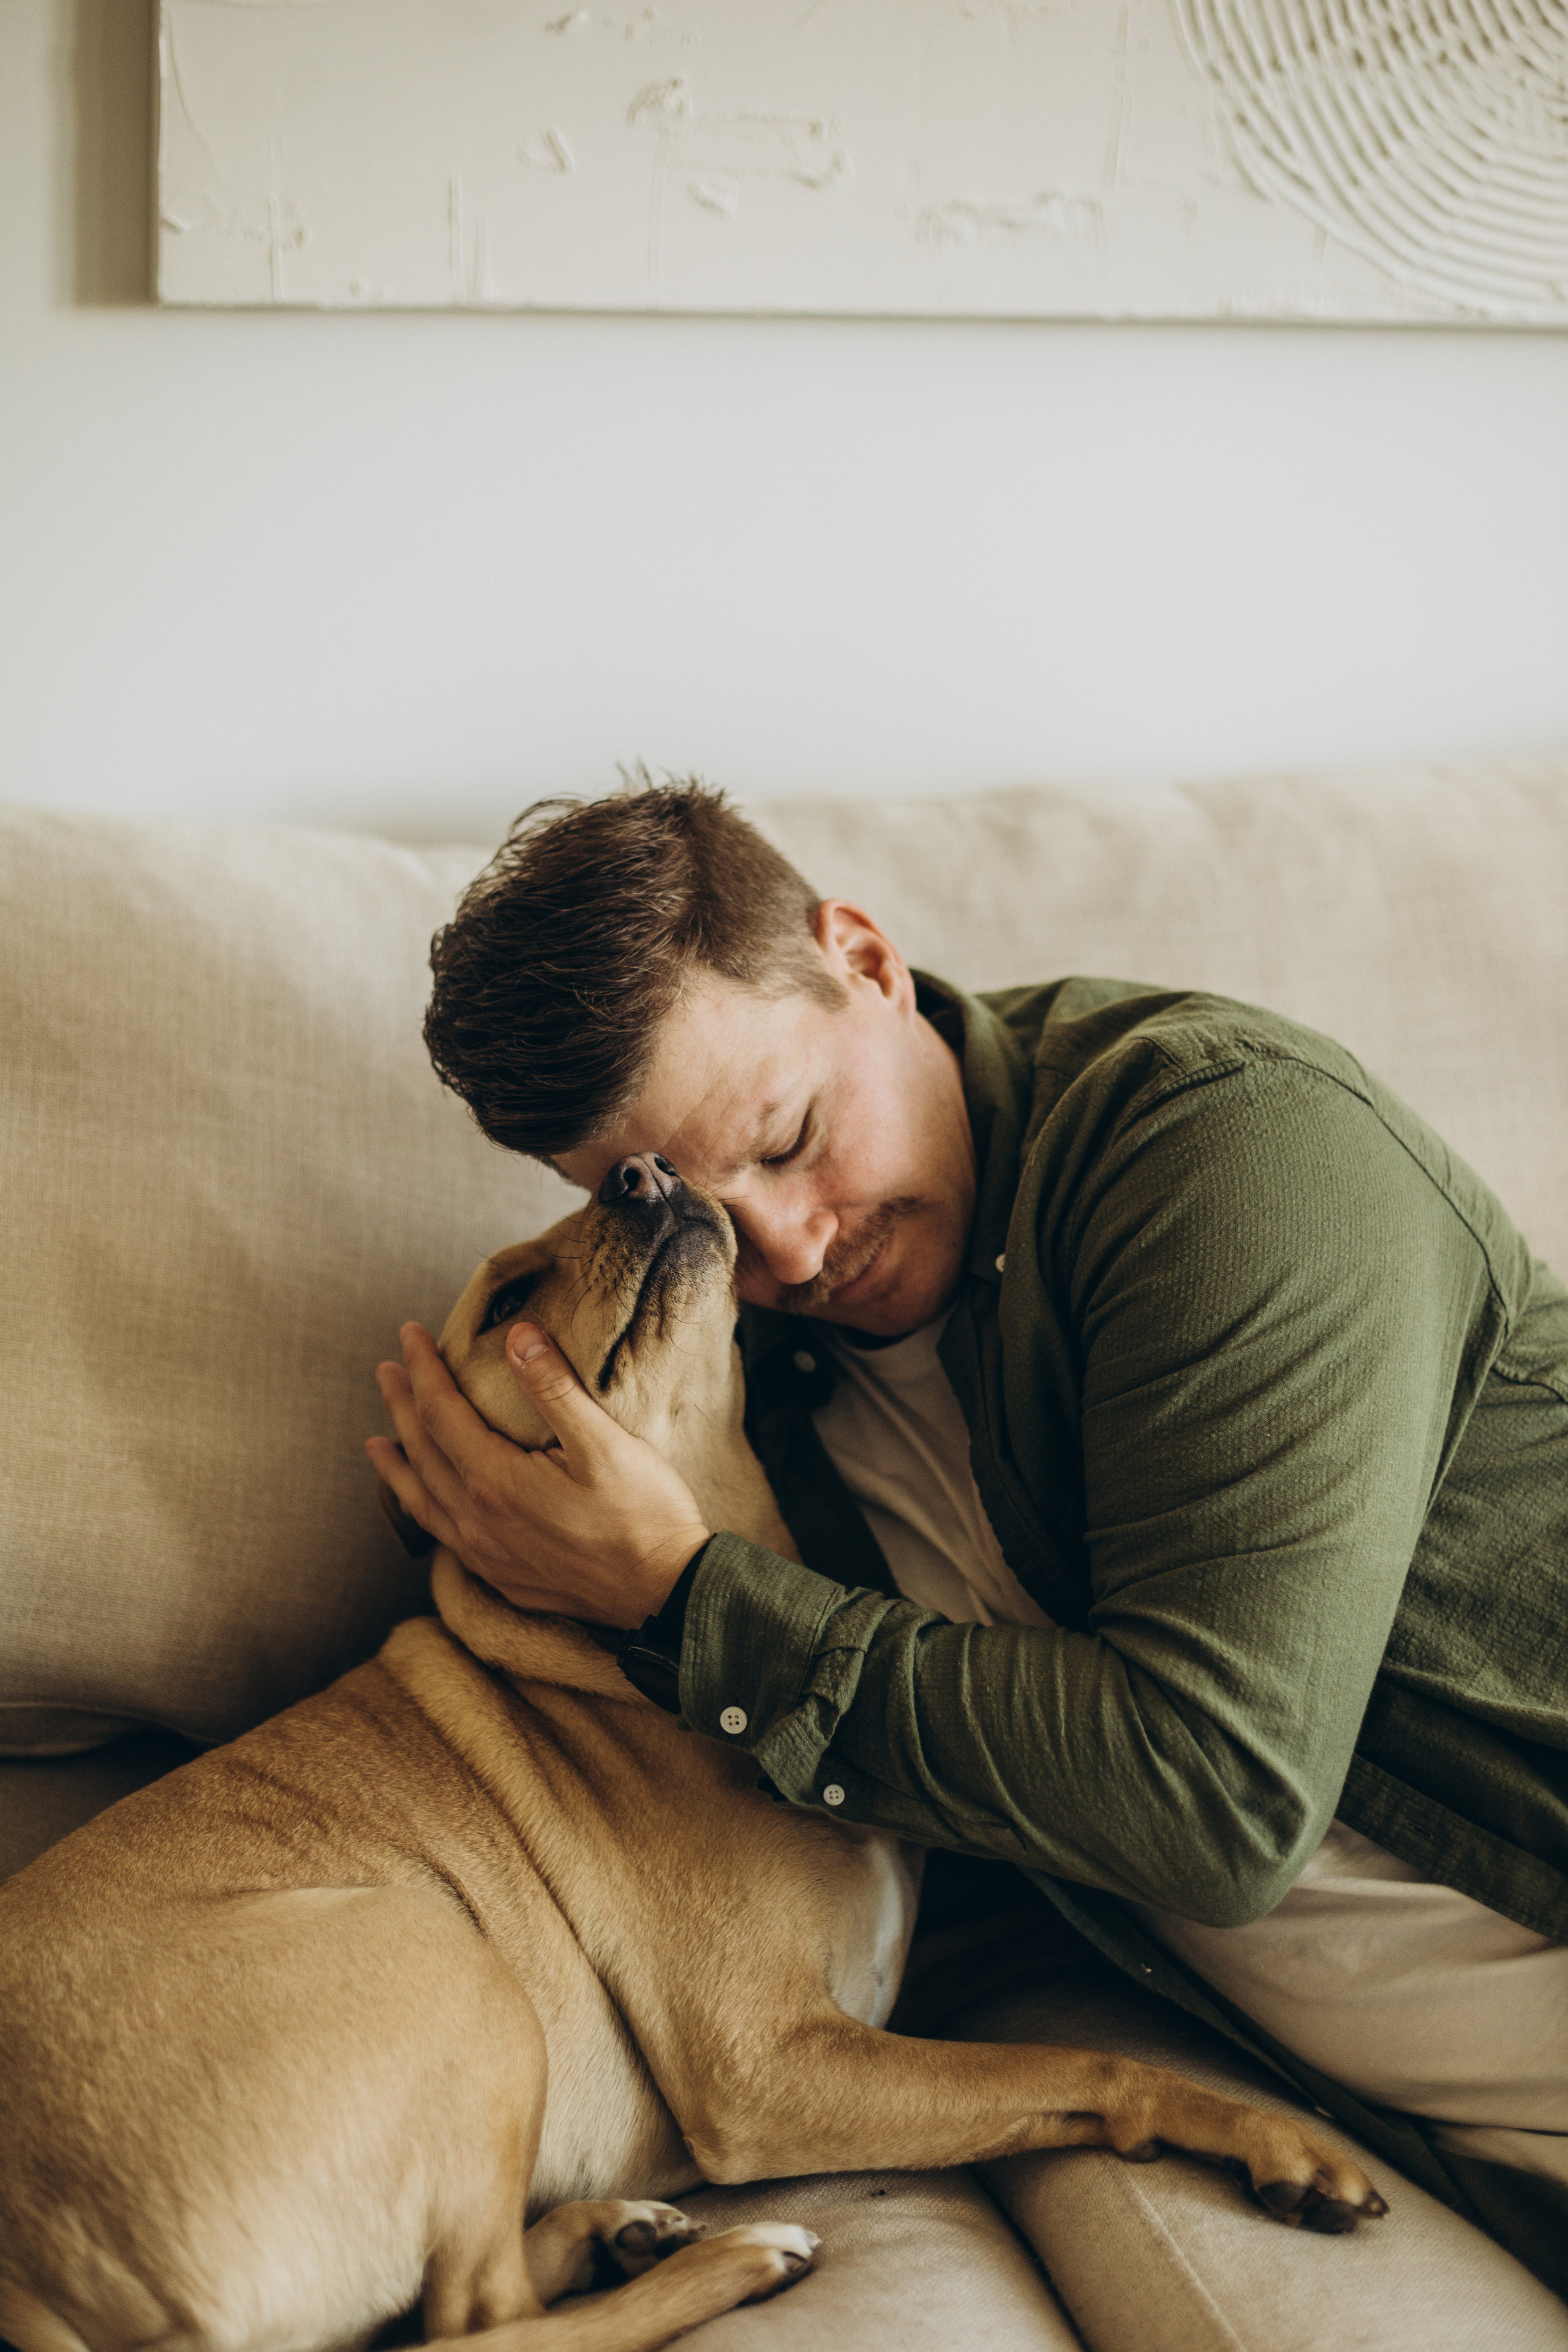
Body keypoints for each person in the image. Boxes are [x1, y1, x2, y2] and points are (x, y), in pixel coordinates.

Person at [368, 780, 1568, 2294]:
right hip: (1473, 2162)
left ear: (863, 960)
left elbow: (1213, 1797)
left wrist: (681, 1598)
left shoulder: (1215, 1146)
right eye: (678, 1203)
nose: (787, 1250)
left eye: (791, 1135)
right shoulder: (750, 1378)